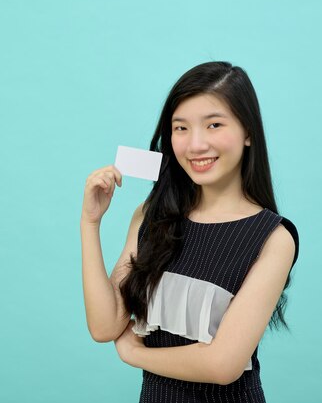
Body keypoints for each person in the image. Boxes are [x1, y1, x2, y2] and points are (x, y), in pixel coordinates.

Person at [80, 61, 300, 403]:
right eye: (181, 128)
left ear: (248, 132)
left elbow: (222, 364)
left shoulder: (273, 238)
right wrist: (90, 223)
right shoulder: (151, 217)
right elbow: (105, 326)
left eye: (213, 125)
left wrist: (134, 354)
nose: (196, 145)